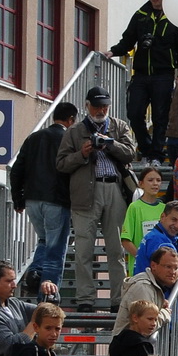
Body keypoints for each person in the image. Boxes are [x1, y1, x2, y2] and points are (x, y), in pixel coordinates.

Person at [57, 86, 137, 309]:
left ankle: (118, 299)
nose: (101, 110)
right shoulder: (73, 132)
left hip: (115, 191)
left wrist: (110, 144)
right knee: (83, 249)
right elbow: (61, 164)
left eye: (105, 106)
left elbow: (131, 153)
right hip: (85, 194)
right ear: (87, 106)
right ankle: (85, 299)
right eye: (97, 105)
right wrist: (82, 153)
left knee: (116, 249)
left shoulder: (119, 126)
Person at [110, 0, 178, 162]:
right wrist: (112, 51)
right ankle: (145, 149)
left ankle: (157, 154)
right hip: (141, 73)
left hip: (164, 74)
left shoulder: (174, 16)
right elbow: (128, 39)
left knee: (161, 116)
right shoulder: (141, 14)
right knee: (134, 113)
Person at [9, 103, 77, 295]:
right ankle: (48, 297)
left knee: (44, 240)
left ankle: (36, 269)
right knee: (55, 251)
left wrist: (18, 199)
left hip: (32, 200)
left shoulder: (34, 137)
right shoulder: (68, 139)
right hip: (57, 199)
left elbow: (16, 170)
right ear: (71, 120)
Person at [113, 246, 178, 336]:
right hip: (130, 347)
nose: (173, 272)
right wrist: (165, 313)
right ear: (153, 266)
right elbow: (144, 326)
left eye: (176, 268)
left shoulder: (153, 285)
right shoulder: (143, 287)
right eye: (168, 267)